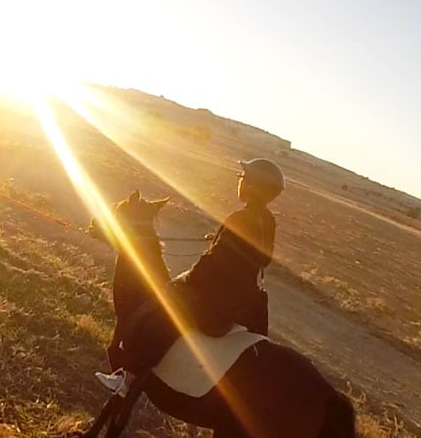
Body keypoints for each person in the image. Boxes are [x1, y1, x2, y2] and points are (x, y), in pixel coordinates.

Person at [95, 158, 284, 394]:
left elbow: (214, 261)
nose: (241, 182)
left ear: (253, 187)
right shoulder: (267, 220)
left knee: (165, 311)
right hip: (243, 297)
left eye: (244, 179)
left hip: (218, 296)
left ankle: (128, 378)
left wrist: (187, 279)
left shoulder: (241, 218)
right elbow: (257, 257)